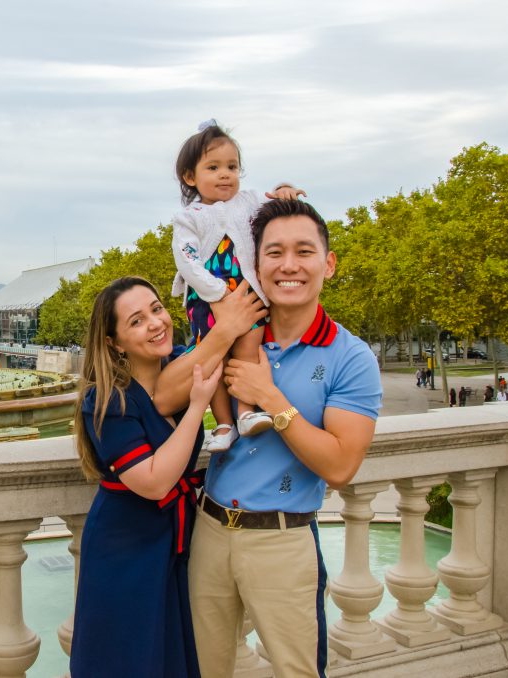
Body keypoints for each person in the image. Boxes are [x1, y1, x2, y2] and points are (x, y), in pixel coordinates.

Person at [155, 199, 382, 677]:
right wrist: (226, 332)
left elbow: (341, 467)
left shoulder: (350, 356)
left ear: (329, 263)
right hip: (211, 532)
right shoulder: (224, 331)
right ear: (254, 263)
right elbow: (162, 396)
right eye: (274, 253)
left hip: (283, 539)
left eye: (304, 251)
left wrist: (270, 398)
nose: (289, 265)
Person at [69, 276, 264, 678]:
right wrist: (196, 409)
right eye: (136, 321)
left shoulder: (180, 364)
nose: (156, 323)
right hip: (125, 549)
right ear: (114, 342)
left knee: (173, 657)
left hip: (176, 545)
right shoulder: (106, 399)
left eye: (157, 309)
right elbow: (155, 481)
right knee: (129, 659)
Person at [171, 120, 305, 453]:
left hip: (249, 295)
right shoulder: (189, 217)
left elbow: (275, 201)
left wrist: (285, 188)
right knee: (214, 359)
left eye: (232, 167)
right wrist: (217, 295)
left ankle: (245, 414)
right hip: (209, 298)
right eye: (213, 167)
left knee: (246, 354)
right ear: (191, 177)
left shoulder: (248, 200)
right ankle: (223, 424)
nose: (225, 174)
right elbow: (187, 261)